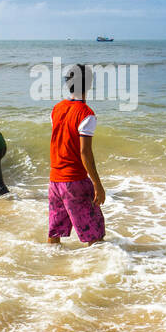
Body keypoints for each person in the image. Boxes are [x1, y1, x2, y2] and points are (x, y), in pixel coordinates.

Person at [48, 64, 105, 244]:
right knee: (95, 234)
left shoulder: (56, 109)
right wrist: (97, 184)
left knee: (55, 233)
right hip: (74, 181)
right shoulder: (86, 114)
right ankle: (97, 271)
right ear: (89, 85)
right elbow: (84, 152)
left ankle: (51, 266)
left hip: (55, 181)